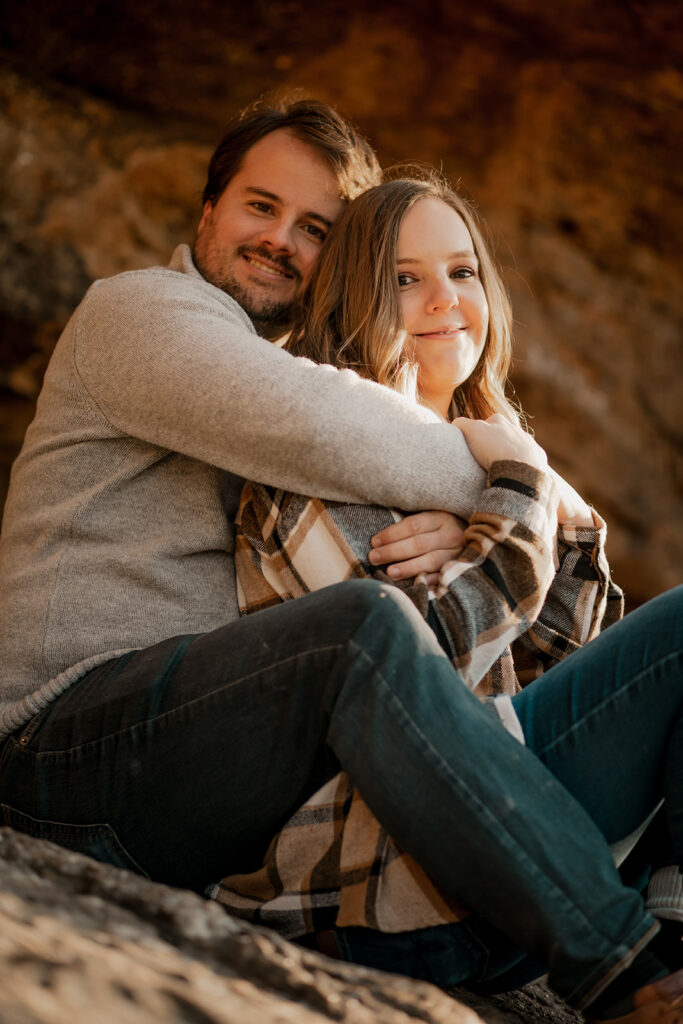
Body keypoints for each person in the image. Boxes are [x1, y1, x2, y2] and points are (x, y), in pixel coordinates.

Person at [0, 98, 679, 1023]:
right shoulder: (143, 313)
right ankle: (623, 971)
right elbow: (325, 426)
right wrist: (514, 486)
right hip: (67, 744)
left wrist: (498, 510)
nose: (280, 239)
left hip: (226, 766)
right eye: (258, 206)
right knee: (359, 629)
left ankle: (668, 936)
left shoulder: (315, 382)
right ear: (205, 211)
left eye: (314, 227)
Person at [208, 176, 683, 1022]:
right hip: (383, 892)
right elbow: (415, 691)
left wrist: (502, 518)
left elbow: (566, 668)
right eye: (403, 278)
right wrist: (523, 493)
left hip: (511, 854)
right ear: (356, 293)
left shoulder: (478, 458)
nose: (444, 299)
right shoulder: (316, 452)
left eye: (462, 271)